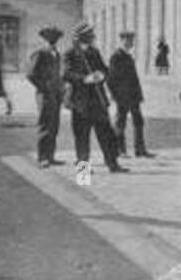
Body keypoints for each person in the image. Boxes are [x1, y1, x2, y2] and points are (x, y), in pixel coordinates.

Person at [63, 22, 128, 174]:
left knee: (106, 133)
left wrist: (102, 75)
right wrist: (85, 79)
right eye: (89, 35)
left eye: (92, 34)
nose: (93, 37)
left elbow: (104, 69)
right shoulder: (70, 53)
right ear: (80, 37)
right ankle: (83, 171)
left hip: (98, 100)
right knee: (82, 137)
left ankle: (113, 164)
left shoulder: (94, 52)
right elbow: (66, 73)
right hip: (80, 102)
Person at [108, 31, 153, 158]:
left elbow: (134, 79)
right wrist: (115, 95)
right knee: (120, 123)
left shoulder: (128, 57)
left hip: (133, 96)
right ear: (121, 41)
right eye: (127, 41)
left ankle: (140, 150)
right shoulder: (116, 57)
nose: (130, 43)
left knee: (139, 121)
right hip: (122, 96)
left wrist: (139, 94)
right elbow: (111, 78)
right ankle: (120, 150)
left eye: (131, 41)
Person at [26, 25, 66, 167]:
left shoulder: (57, 54)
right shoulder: (40, 53)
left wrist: (61, 89)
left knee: (54, 125)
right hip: (44, 95)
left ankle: (51, 156)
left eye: (55, 38)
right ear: (45, 39)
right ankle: (42, 157)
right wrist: (44, 87)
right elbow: (30, 74)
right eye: (50, 38)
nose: (53, 41)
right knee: (45, 125)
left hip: (56, 94)